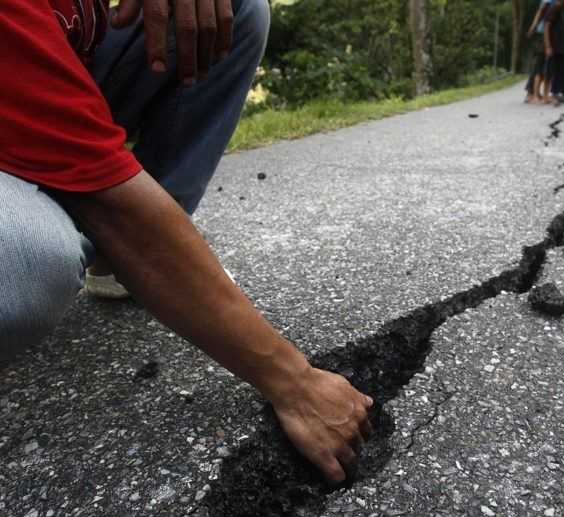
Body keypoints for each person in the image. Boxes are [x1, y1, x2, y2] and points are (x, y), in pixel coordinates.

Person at [0, 0, 373, 485]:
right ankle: (126, 249)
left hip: (46, 76)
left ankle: (123, 264)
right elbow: (111, 204)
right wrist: (296, 384)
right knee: (32, 260)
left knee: (234, 7)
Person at [525, 0, 555, 104]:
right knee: (539, 65)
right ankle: (532, 93)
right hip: (543, 32)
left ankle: (537, 93)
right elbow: (540, 11)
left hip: (551, 32)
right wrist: (532, 27)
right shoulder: (548, 1)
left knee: (543, 66)